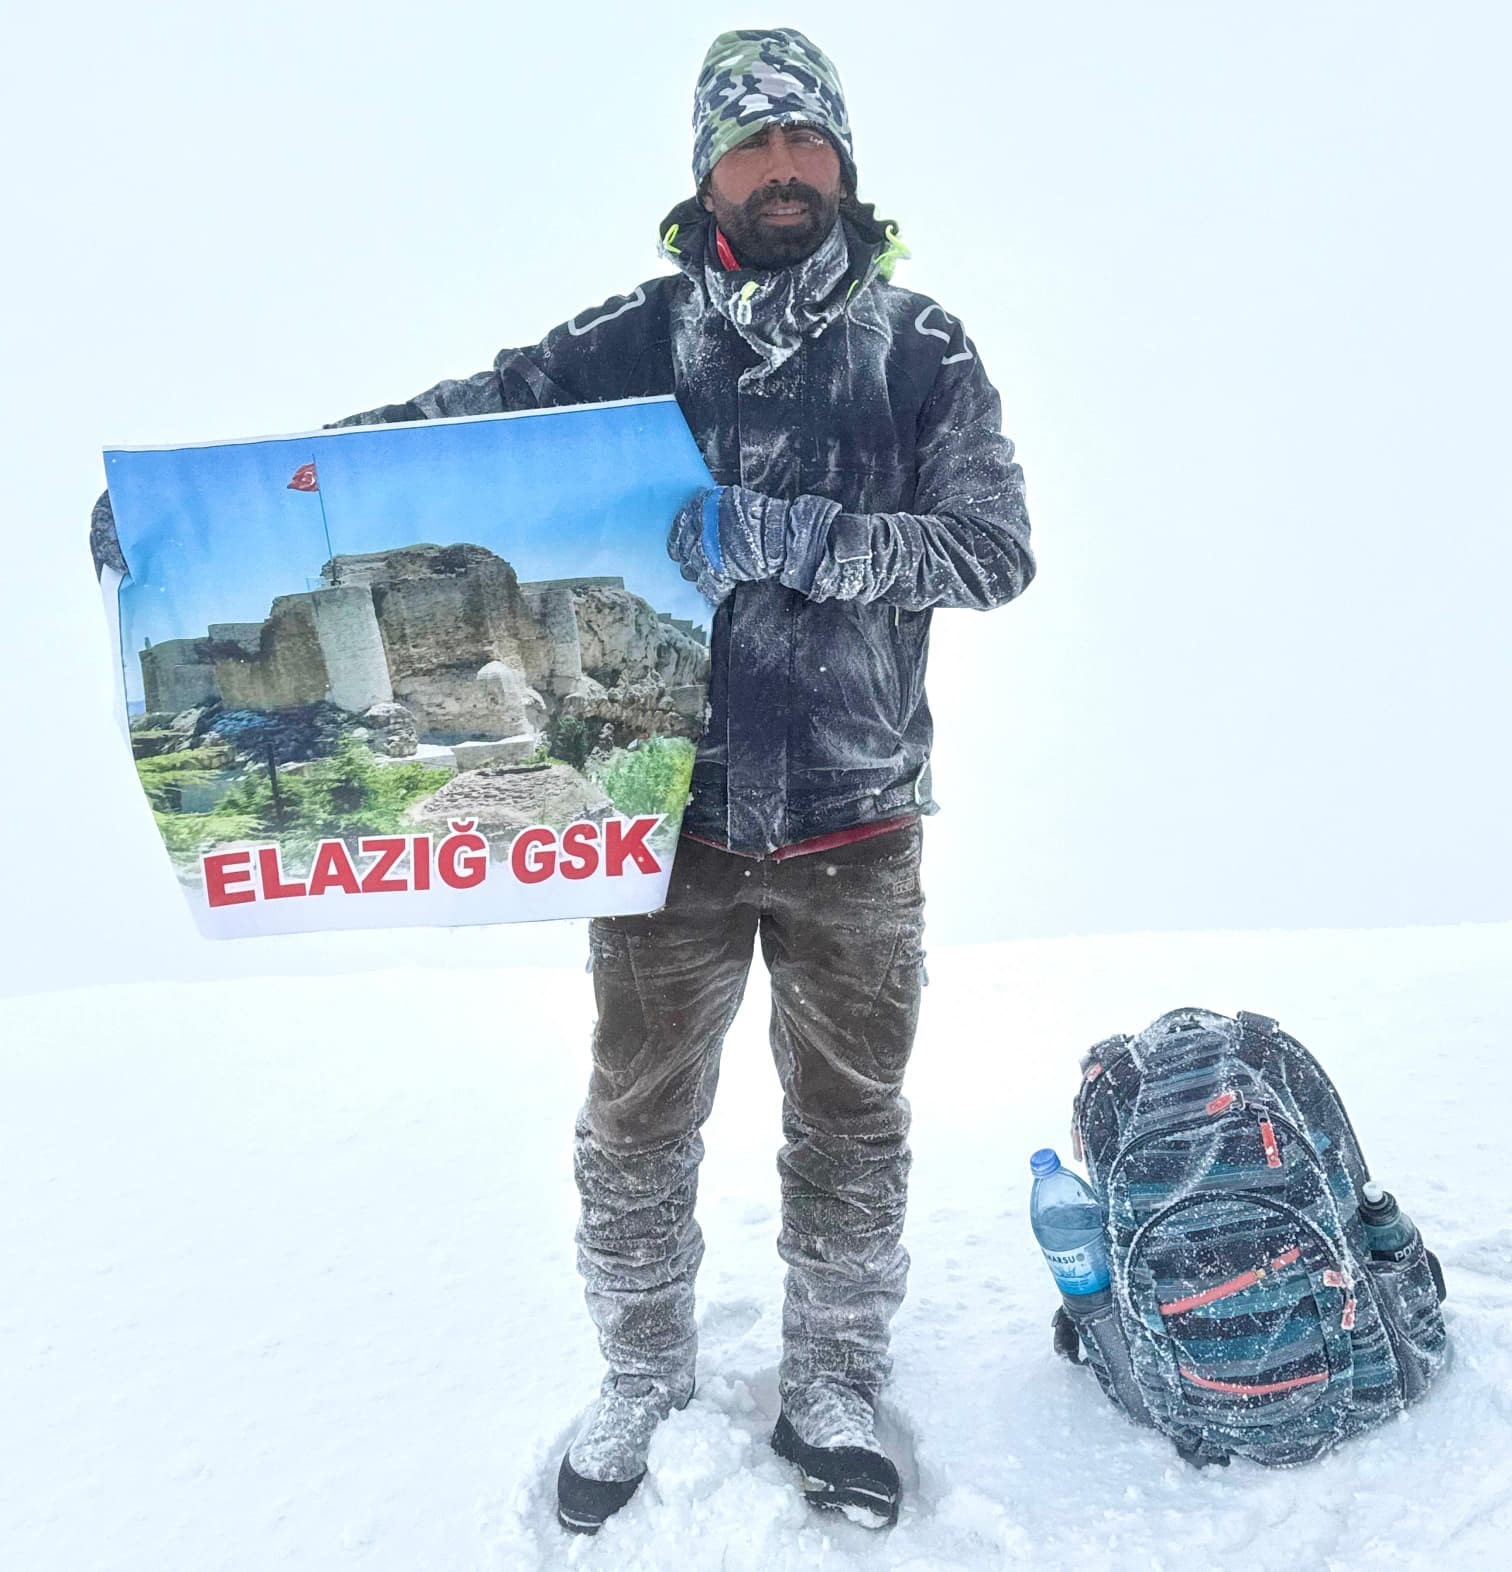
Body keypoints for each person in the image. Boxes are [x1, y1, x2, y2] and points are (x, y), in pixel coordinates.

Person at [89, 25, 1035, 1536]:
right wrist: (197, 516)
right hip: (663, 831)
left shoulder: (919, 350)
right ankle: (643, 1369)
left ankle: (837, 1380)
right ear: (707, 170)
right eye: (754, 143)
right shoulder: (628, 346)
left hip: (861, 821)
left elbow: (992, 552)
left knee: (853, 1116)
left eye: (809, 143)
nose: (785, 169)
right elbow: (440, 435)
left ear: (845, 165)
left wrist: (792, 538)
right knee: (636, 1118)